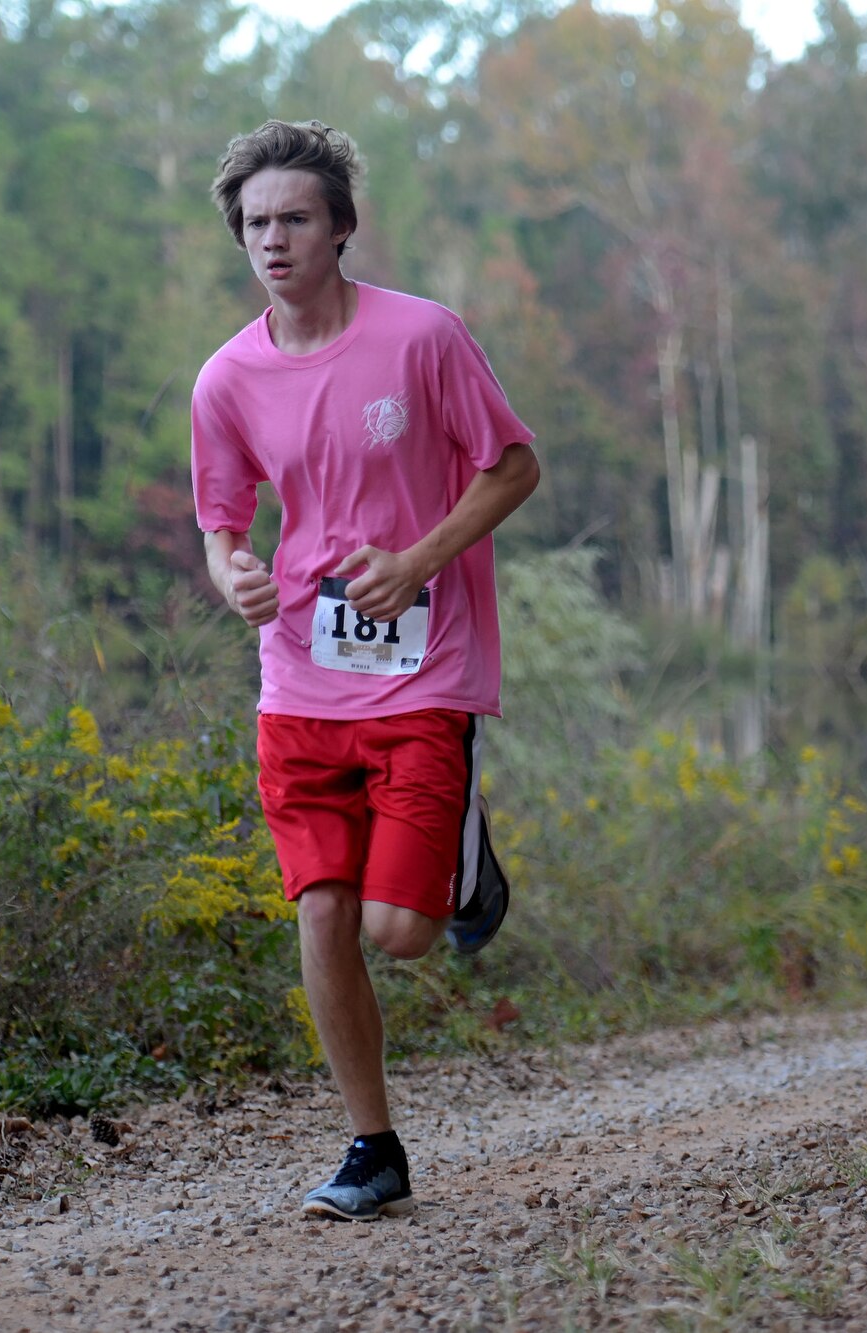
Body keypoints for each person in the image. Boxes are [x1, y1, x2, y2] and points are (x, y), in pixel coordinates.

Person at [190, 119, 539, 1222]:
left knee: (403, 929)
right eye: (256, 224)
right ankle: (371, 1146)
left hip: (424, 669)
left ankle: (465, 863)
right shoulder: (226, 378)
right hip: (297, 678)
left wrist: (418, 560)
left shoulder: (422, 338)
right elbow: (220, 521)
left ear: (341, 227)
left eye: (295, 218)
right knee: (322, 912)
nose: (274, 240)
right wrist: (233, 572)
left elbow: (513, 465)